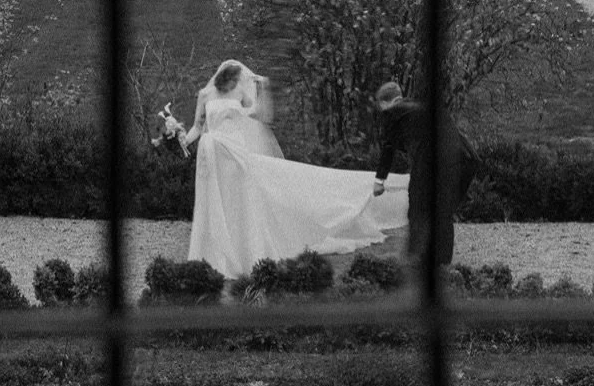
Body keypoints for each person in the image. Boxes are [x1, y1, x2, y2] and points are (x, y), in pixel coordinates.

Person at [182, 59, 408, 280]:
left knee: (239, 203)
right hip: (212, 157)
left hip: (235, 156)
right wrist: (181, 138)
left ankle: (240, 251)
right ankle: (216, 252)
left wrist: (262, 90)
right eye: (238, 78)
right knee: (215, 204)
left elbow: (260, 116)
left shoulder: (239, 94)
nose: (241, 81)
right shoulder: (205, 95)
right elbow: (197, 128)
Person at [372, 81, 478, 267]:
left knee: (417, 207)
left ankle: (418, 259)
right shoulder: (423, 108)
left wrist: (379, 180)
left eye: (382, 107)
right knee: (442, 213)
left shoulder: (395, 111)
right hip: (464, 159)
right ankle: (443, 264)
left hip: (433, 161)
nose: (383, 113)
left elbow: (388, 147)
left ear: (389, 102)